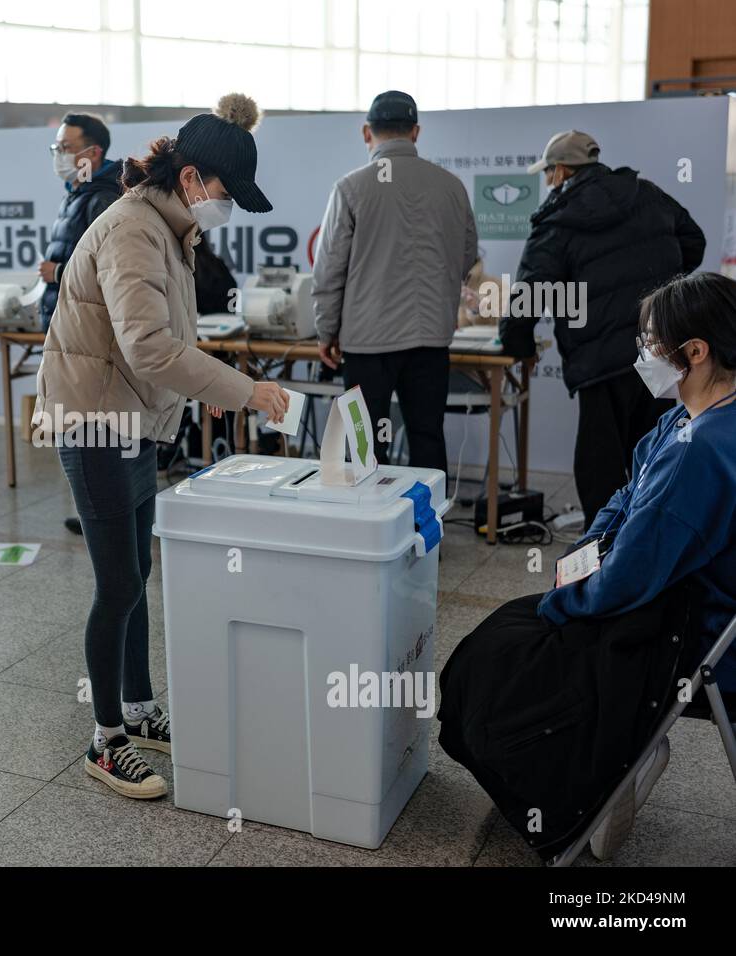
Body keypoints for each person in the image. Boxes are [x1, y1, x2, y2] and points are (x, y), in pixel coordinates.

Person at [34, 93, 289, 799]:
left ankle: (140, 709)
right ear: (189, 180)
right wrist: (243, 389)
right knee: (117, 582)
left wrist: (198, 381)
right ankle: (106, 740)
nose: (227, 207)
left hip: (133, 417)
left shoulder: (169, 229)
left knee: (135, 574)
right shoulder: (132, 231)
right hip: (94, 421)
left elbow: (168, 336)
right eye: (224, 193)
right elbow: (147, 345)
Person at [440, 271, 736, 861]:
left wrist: (565, 597)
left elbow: (627, 578)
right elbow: (624, 499)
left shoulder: (701, 450)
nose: (642, 354)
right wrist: (589, 555)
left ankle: (584, 797)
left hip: (685, 628)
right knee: (503, 641)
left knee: (498, 663)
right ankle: (602, 776)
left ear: (696, 352)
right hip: (663, 597)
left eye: (652, 342)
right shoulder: (690, 417)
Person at [500, 130, 706, 529]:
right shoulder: (646, 193)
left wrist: (515, 342)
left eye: (549, 174)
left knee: (601, 458)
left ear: (561, 171)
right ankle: (648, 537)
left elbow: (531, 290)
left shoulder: (558, 217)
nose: (548, 182)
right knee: (654, 450)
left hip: (600, 358)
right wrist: (663, 289)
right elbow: (692, 240)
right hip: (657, 349)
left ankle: (603, 547)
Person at [312, 90, 476, 475]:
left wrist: (326, 330)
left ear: (366, 132)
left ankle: (370, 530)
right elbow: (465, 255)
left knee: (365, 443)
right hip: (431, 340)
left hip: (368, 343)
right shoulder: (451, 186)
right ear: (415, 132)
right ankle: (427, 529)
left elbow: (329, 268)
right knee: (427, 437)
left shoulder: (351, 188)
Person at [41, 113, 124, 537]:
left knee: (94, 431)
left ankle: (104, 513)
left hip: (87, 334)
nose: (58, 155)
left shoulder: (104, 198)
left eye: (66, 147)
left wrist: (55, 275)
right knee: (76, 428)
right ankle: (93, 508)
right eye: (56, 147)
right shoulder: (76, 192)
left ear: (92, 153)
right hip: (65, 326)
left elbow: (101, 269)